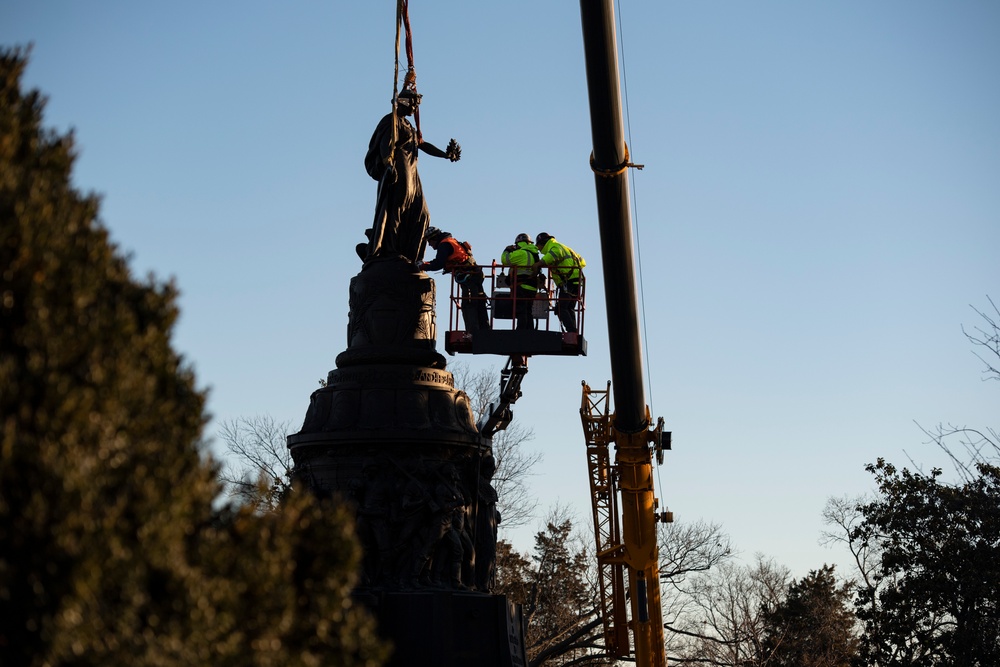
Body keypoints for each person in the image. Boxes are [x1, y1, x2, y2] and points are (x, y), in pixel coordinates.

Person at [361, 88, 461, 265]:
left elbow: (422, 144)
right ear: (405, 102)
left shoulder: (408, 125)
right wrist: (389, 164)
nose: (415, 109)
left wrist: (445, 155)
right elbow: (386, 144)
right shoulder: (391, 120)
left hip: (412, 171)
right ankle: (390, 250)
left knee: (422, 214)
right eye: (414, 104)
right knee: (396, 207)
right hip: (399, 167)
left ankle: (412, 255)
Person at [419, 227, 490, 333]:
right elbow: (440, 261)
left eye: (429, 241)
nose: (429, 244)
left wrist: (423, 267)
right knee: (479, 302)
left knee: (469, 304)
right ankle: (485, 329)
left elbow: (439, 263)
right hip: (474, 274)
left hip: (469, 276)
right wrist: (426, 264)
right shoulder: (451, 241)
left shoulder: (444, 245)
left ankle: (473, 333)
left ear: (434, 238)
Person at [532, 232, 585, 333]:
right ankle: (573, 333)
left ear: (543, 243)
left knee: (561, 308)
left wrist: (539, 263)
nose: (538, 249)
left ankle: (571, 332)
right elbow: (582, 261)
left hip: (567, 282)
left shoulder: (554, 247)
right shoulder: (567, 248)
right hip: (576, 282)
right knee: (569, 308)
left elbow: (554, 255)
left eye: (538, 246)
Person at [500, 233, 542, 331]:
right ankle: (529, 331)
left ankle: (520, 331)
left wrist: (507, 250)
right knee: (528, 311)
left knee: (521, 310)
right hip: (532, 287)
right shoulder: (534, 254)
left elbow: (505, 260)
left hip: (521, 286)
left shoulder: (522, 253)